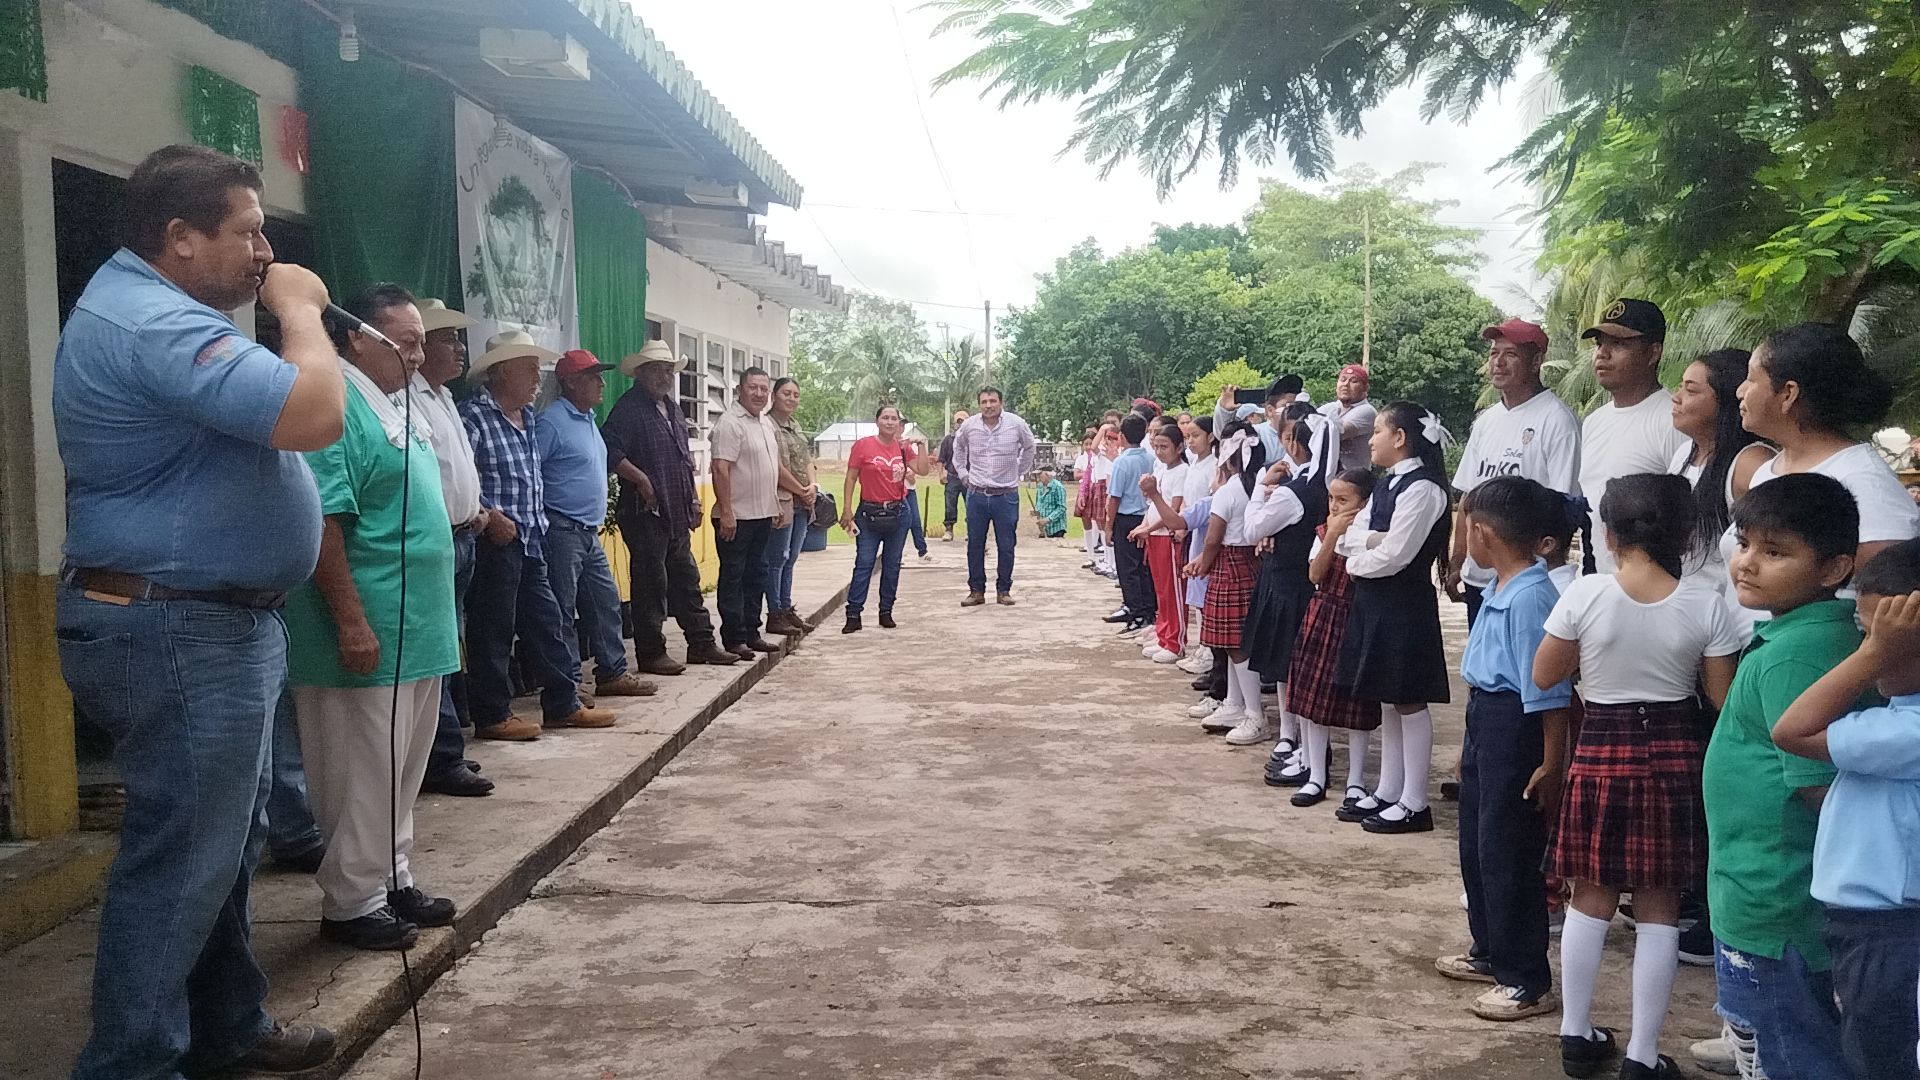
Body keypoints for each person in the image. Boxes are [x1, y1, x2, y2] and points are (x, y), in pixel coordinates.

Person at [54, 143, 343, 1078]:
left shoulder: (160, 311)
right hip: (178, 625)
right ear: (180, 237)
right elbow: (313, 413)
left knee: (222, 846)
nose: (265, 253)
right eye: (249, 232)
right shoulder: (153, 324)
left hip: (210, 621)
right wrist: (301, 313)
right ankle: (130, 1064)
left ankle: (227, 1024)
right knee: (183, 860)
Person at [1535, 475, 1745, 1076]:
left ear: (1608, 534)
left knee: (1589, 895)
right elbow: (1721, 698)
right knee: (1660, 904)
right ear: (1684, 534)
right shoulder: (1706, 602)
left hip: (1601, 744)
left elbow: (1545, 673)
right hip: (1675, 749)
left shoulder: (1586, 593)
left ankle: (1576, 1036)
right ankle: (1642, 1057)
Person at [281, 283, 460, 952]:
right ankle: (352, 900)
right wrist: (351, 622)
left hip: (418, 627)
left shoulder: (395, 404)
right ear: (357, 337)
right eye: (405, 342)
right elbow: (325, 522)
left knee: (402, 766)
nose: (418, 355)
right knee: (360, 771)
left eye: (421, 343)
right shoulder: (335, 404)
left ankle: (391, 875)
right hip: (368, 627)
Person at [1704, 473, 1863, 1080]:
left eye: (1775, 552)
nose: (1747, 563)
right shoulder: (1796, 636)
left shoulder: (1797, 654)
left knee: (1793, 1052)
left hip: (1775, 897)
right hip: (1764, 886)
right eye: (1745, 543)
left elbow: (1820, 788)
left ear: (1833, 568)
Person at [1772, 540, 1920, 1080]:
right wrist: (1882, 648)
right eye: (1865, 633)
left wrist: (1872, 657)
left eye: (1879, 637)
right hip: (1876, 927)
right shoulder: (1899, 717)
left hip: (1888, 931)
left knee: (1882, 1059)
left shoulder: (1907, 731)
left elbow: (1792, 730)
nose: (1865, 646)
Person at [1435, 475, 1571, 1022]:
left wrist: (1551, 762)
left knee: (1508, 851)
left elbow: (1550, 692)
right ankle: (1490, 951)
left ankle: (1525, 979)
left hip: (1517, 726)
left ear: (1482, 534)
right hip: (1487, 720)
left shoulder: (1531, 598)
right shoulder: (1500, 588)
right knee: (1477, 842)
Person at [462, 331, 616, 739]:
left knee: (548, 623)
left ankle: (563, 704)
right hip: (496, 540)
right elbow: (459, 477)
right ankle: (493, 715)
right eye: (528, 369)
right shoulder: (475, 417)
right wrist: (489, 514)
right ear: (501, 373)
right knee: (493, 630)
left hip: (532, 538)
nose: (536, 377)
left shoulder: (528, 418)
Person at [1724, 322, 1920, 636]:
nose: (1740, 391)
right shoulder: (1768, 470)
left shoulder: (1863, 481)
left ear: (1788, 394)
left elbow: (1896, 604)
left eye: (1751, 378)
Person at [1336, 402, 1454, 834]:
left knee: (1409, 697)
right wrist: (1371, 541)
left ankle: (1414, 802)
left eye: (1377, 432)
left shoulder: (1423, 489)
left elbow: (1397, 555)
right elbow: (1347, 536)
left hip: (1404, 604)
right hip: (1378, 601)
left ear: (1400, 438)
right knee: (1388, 695)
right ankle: (1389, 789)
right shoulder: (1389, 484)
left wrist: (1356, 560)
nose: (1370, 440)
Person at [603, 341, 738, 671]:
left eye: (669, 370)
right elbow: (610, 450)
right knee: (651, 583)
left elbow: (682, 458)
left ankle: (702, 643)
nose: (665, 376)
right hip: (645, 511)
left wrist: (693, 498)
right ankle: (651, 653)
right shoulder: (628, 408)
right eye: (657, 370)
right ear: (641, 373)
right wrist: (640, 479)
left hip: (675, 508)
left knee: (686, 579)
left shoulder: (673, 408)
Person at [408, 298, 494, 798]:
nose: (459, 349)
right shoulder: (410, 398)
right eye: (447, 340)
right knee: (436, 653)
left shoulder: (442, 396)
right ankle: (441, 758)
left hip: (463, 536)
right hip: (437, 539)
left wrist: (475, 507)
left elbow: (457, 465)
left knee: (449, 649)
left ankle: (441, 749)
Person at [535, 349, 657, 700]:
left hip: (588, 531)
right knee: (562, 609)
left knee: (606, 601)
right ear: (572, 383)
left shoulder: (588, 419)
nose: (601, 383)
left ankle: (612, 672)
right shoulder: (552, 422)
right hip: (562, 528)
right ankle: (569, 683)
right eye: (593, 377)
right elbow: (533, 474)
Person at [1448, 319, 1583, 625]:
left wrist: (1542, 573)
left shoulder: (1558, 421)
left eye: (1510, 354)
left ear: (1536, 361)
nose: (1498, 362)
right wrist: (1459, 560)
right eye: (1494, 353)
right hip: (1480, 580)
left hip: (1525, 583)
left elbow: (1562, 509)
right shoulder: (1486, 421)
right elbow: (1468, 496)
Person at [1244, 404, 1335, 782]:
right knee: (1289, 665)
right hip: (1304, 582)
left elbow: (1252, 530)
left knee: (1289, 665)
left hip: (1287, 584)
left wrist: (1261, 489)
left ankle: (1296, 739)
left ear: (1294, 444)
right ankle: (1290, 735)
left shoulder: (1291, 492)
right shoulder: (1325, 483)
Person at [1289, 470, 1384, 809]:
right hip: (1323, 615)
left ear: (1365, 503)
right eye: (1331, 498)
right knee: (1313, 702)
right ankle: (1316, 775)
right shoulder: (1323, 533)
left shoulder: (1372, 538)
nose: (1334, 506)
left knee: (1357, 704)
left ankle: (1356, 781)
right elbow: (1315, 573)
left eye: (1343, 500)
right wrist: (1332, 535)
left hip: (1357, 619)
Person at [1577, 299, 1691, 575]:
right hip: (1599, 581)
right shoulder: (1594, 422)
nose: (1602, 354)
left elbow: (1686, 518)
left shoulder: (1672, 421)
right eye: (1599, 344)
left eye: (1618, 344)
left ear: (1653, 353)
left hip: (1652, 587)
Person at [1667, 348, 1774, 602]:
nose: (1676, 397)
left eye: (1691, 391)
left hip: (1730, 609)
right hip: (1687, 606)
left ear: (1726, 400)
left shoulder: (1750, 462)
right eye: (1680, 387)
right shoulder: (1684, 453)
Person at [1184, 422, 1267, 742]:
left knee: (1236, 645)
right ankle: (1234, 703)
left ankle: (1254, 714)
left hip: (1229, 565)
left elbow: (1213, 539)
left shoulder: (1229, 491)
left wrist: (1202, 565)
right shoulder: (1257, 486)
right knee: (1233, 644)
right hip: (1249, 564)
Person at [710, 367, 785, 659]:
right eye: (753, 387)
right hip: (736, 517)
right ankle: (734, 638)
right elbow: (720, 468)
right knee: (734, 577)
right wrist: (726, 511)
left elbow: (769, 468)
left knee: (756, 575)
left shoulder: (764, 423)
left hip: (762, 514)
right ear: (740, 389)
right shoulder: (730, 423)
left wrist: (774, 504)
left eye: (764, 389)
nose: (759, 394)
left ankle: (752, 633)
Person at [840, 403, 931, 632]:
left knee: (892, 565)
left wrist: (921, 446)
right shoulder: (863, 446)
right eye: (885, 418)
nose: (890, 422)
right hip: (868, 514)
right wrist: (847, 509)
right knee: (864, 563)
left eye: (894, 419)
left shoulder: (903, 449)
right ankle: (853, 614)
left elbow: (923, 470)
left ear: (899, 424)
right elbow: (851, 477)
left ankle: (886, 611)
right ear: (877, 421)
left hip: (898, 513)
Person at [954, 385, 1037, 606]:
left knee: (1006, 544)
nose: (988, 405)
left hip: (1006, 495)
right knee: (975, 544)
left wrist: (1019, 470)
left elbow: (1029, 447)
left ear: (1001, 402)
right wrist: (963, 473)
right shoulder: (970, 425)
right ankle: (976, 591)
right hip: (977, 494)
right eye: (984, 402)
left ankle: (1004, 590)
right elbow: (958, 447)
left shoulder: (1016, 424)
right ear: (979, 404)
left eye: (993, 401)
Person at [764, 376, 817, 636]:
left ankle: (786, 608)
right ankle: (774, 613)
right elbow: (775, 468)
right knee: (777, 559)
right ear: (774, 395)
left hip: (802, 503)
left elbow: (807, 459)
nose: (791, 399)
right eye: (786, 393)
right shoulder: (767, 425)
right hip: (781, 501)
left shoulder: (795, 426)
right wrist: (800, 490)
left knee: (791, 558)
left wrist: (813, 486)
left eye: (796, 395)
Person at [1130, 431, 1190, 662]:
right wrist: (1145, 526)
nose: (1159, 451)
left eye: (1164, 446)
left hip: (1167, 537)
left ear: (1179, 448)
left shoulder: (1182, 472)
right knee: (1161, 590)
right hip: (1156, 536)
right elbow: (1152, 505)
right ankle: (1163, 635)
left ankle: (1175, 641)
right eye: (1156, 446)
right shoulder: (1161, 470)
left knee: (1172, 591)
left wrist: (1150, 528)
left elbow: (1172, 510)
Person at [1106, 414, 1158, 633]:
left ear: (1121, 436)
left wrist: (1109, 526)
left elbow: (1114, 497)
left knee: (1128, 569)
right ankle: (1148, 610)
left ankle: (1136, 612)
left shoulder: (1122, 462)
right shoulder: (1151, 458)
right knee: (1144, 567)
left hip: (1127, 518)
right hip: (1147, 517)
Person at [1214, 374, 1303, 462]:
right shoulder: (1256, 434)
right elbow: (1227, 437)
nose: (1293, 411)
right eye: (1286, 406)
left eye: (1297, 405)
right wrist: (1224, 410)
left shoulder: (1306, 432)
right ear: (1270, 410)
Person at [1319, 364, 1378, 473]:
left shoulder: (1367, 411)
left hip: (1354, 478)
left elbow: (1335, 433)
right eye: (1342, 380)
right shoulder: (1329, 408)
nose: (1345, 384)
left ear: (1366, 388)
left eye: (1353, 381)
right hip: (1327, 475)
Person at [939, 408, 970, 541]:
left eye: (964, 421)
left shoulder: (973, 439)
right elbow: (941, 459)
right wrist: (941, 474)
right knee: (950, 504)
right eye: (958, 421)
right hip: (952, 476)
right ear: (954, 423)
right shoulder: (948, 440)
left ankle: (971, 530)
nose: (961, 423)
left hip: (970, 477)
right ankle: (949, 530)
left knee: (971, 504)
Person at [902, 433, 933, 560]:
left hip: (909, 490)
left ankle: (922, 550)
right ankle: (896, 553)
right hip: (894, 492)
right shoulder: (892, 444)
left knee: (915, 521)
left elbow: (920, 470)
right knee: (899, 523)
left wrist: (920, 445)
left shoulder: (908, 447)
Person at [1033, 468, 1069, 537]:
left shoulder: (1058, 487)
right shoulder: (1040, 487)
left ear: (1048, 474)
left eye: (1040, 474)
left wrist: (1048, 519)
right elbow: (1038, 503)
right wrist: (1035, 511)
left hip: (1056, 529)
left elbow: (1061, 508)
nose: (1038, 476)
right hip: (1044, 530)